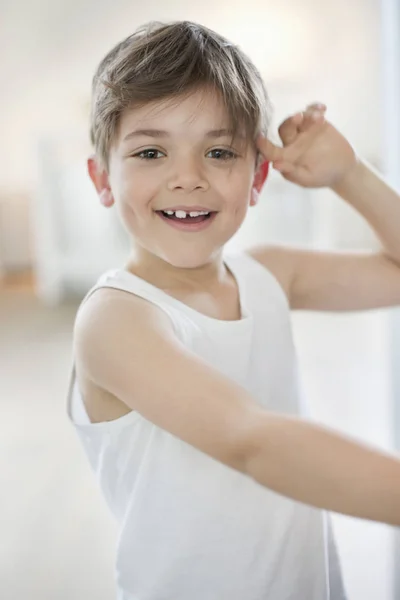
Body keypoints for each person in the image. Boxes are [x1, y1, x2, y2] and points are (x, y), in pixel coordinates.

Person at [66, 20, 400, 600]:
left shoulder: (269, 275)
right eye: (150, 151)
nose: (188, 177)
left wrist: (350, 177)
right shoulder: (117, 320)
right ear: (103, 179)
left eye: (219, 152)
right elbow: (254, 440)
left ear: (258, 176)